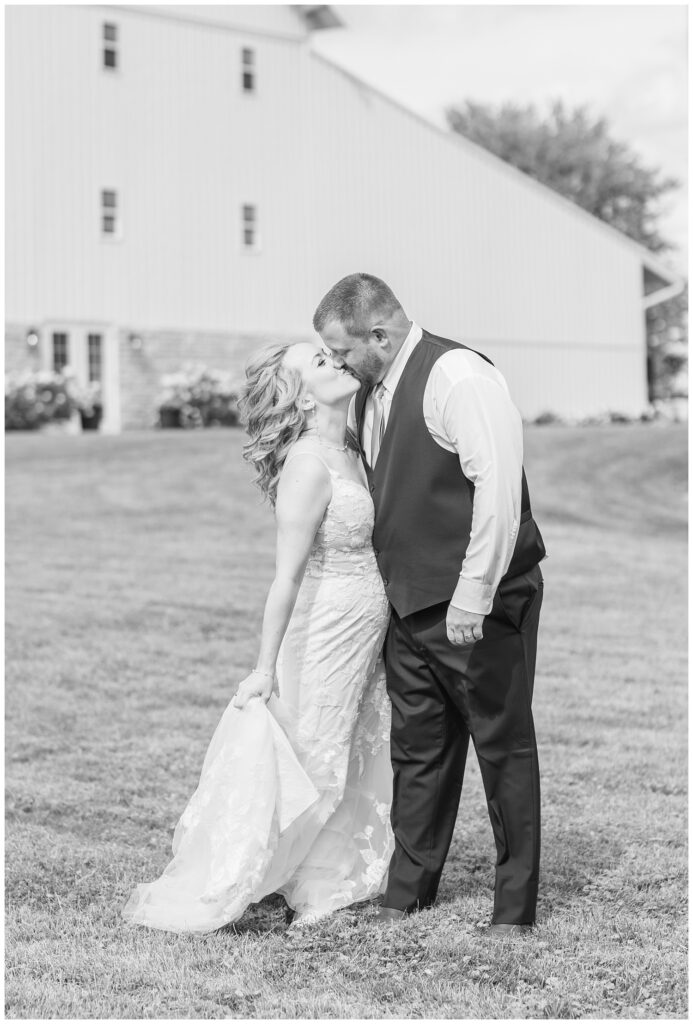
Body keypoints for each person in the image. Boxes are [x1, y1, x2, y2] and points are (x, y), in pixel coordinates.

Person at [122, 341, 393, 933]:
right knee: (317, 753)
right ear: (298, 396)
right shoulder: (306, 464)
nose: (336, 361)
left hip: (365, 628)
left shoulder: (352, 446)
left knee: (350, 746)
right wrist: (264, 667)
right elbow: (286, 576)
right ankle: (294, 877)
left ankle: (329, 867)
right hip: (324, 628)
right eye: (319, 362)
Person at [314, 273, 546, 936]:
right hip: (406, 605)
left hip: (480, 603)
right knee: (417, 749)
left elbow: (496, 492)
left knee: (500, 746)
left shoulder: (458, 378)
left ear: (379, 334)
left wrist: (472, 597)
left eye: (340, 350)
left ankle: (514, 907)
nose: (335, 363)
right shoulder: (368, 394)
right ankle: (408, 891)